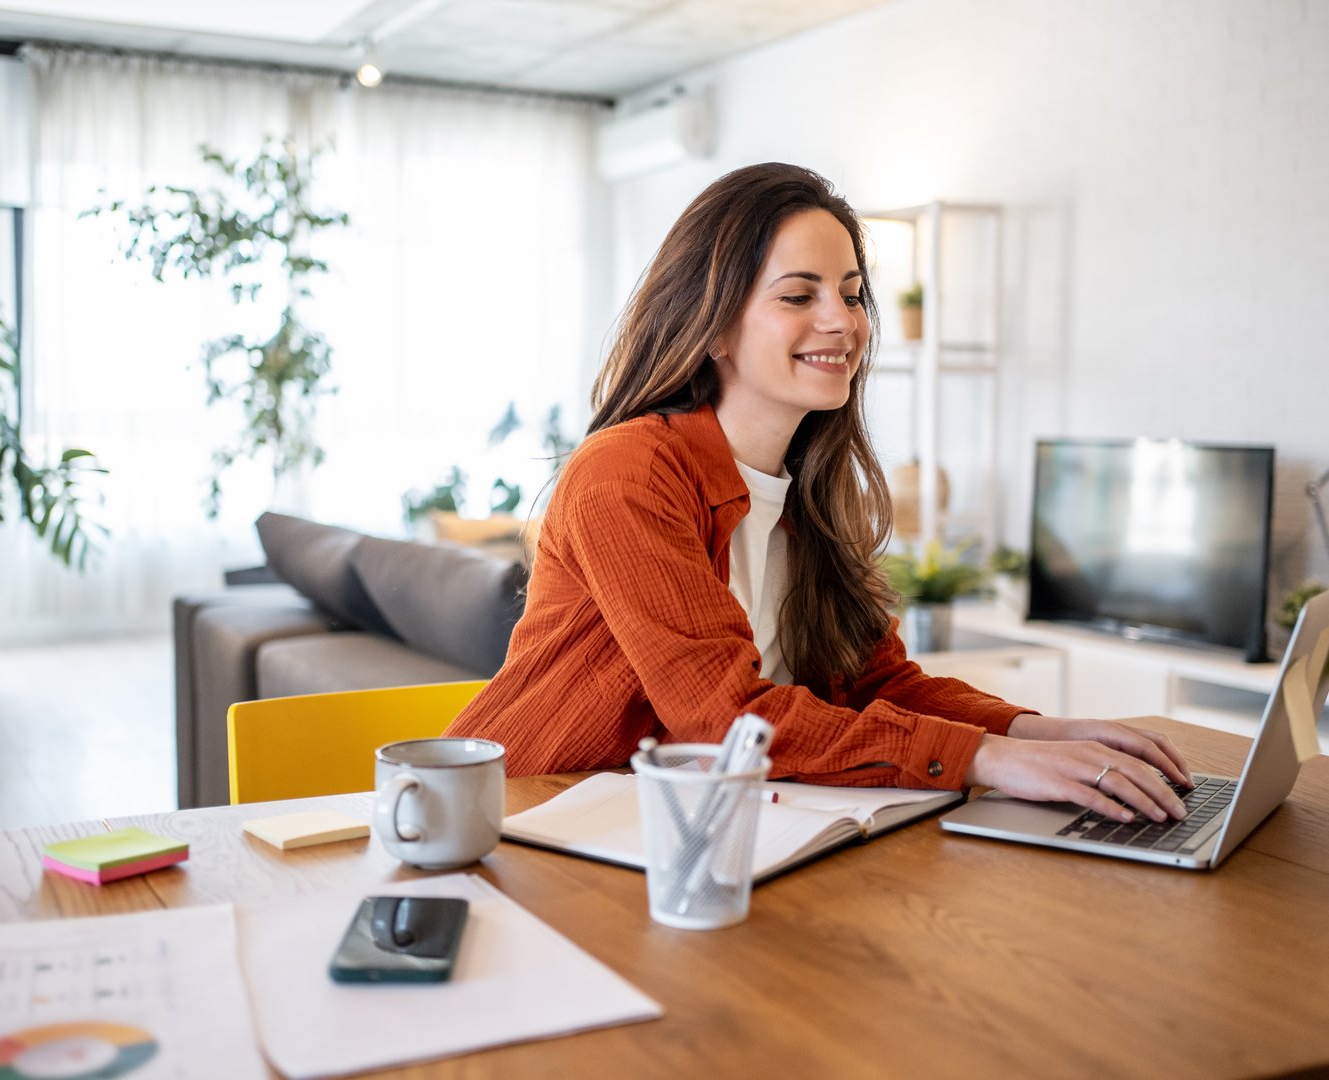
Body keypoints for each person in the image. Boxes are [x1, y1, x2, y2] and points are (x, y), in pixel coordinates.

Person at [445, 162, 1191, 826]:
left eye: (853, 294)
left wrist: (1030, 732)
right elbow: (723, 717)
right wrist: (984, 761)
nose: (842, 321)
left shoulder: (806, 487)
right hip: (530, 820)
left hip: (684, 826)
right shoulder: (629, 474)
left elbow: (877, 681)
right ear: (715, 329)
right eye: (799, 295)